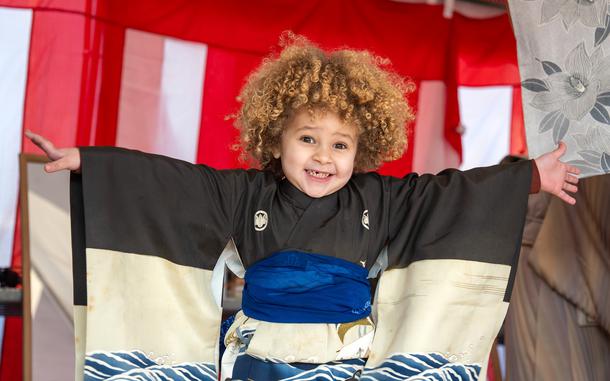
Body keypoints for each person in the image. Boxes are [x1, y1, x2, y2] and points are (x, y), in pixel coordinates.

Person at [26, 35, 579, 381]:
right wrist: (90, 164)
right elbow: (170, 183)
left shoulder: (382, 200)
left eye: (341, 145)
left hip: (345, 358)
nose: (323, 158)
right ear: (275, 138)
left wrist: (530, 176)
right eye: (307, 140)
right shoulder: (245, 194)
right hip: (258, 353)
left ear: (363, 151)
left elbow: (452, 194)